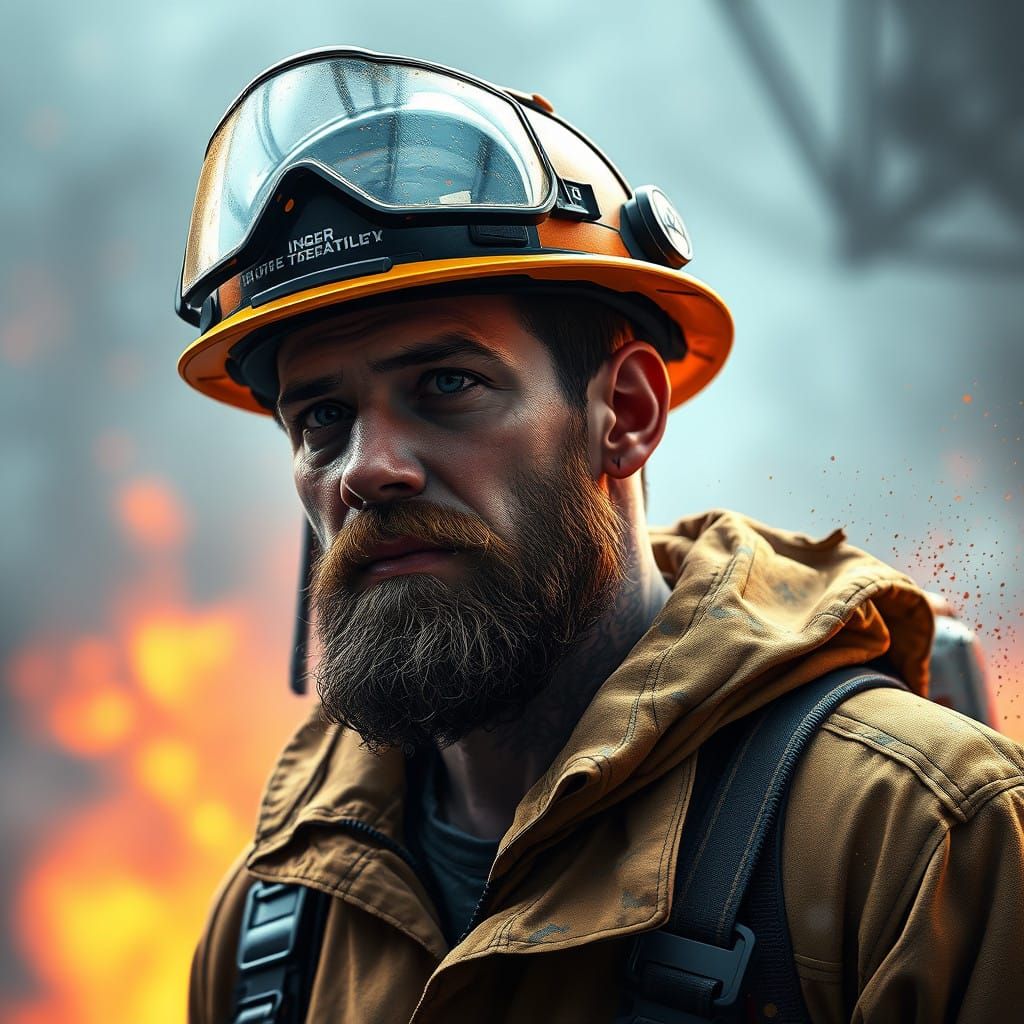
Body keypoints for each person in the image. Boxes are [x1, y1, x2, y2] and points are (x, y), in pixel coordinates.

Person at [178, 47, 1024, 1023]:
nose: (369, 468)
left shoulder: (917, 842)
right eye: (320, 417)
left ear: (623, 411)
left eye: (446, 385)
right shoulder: (269, 927)